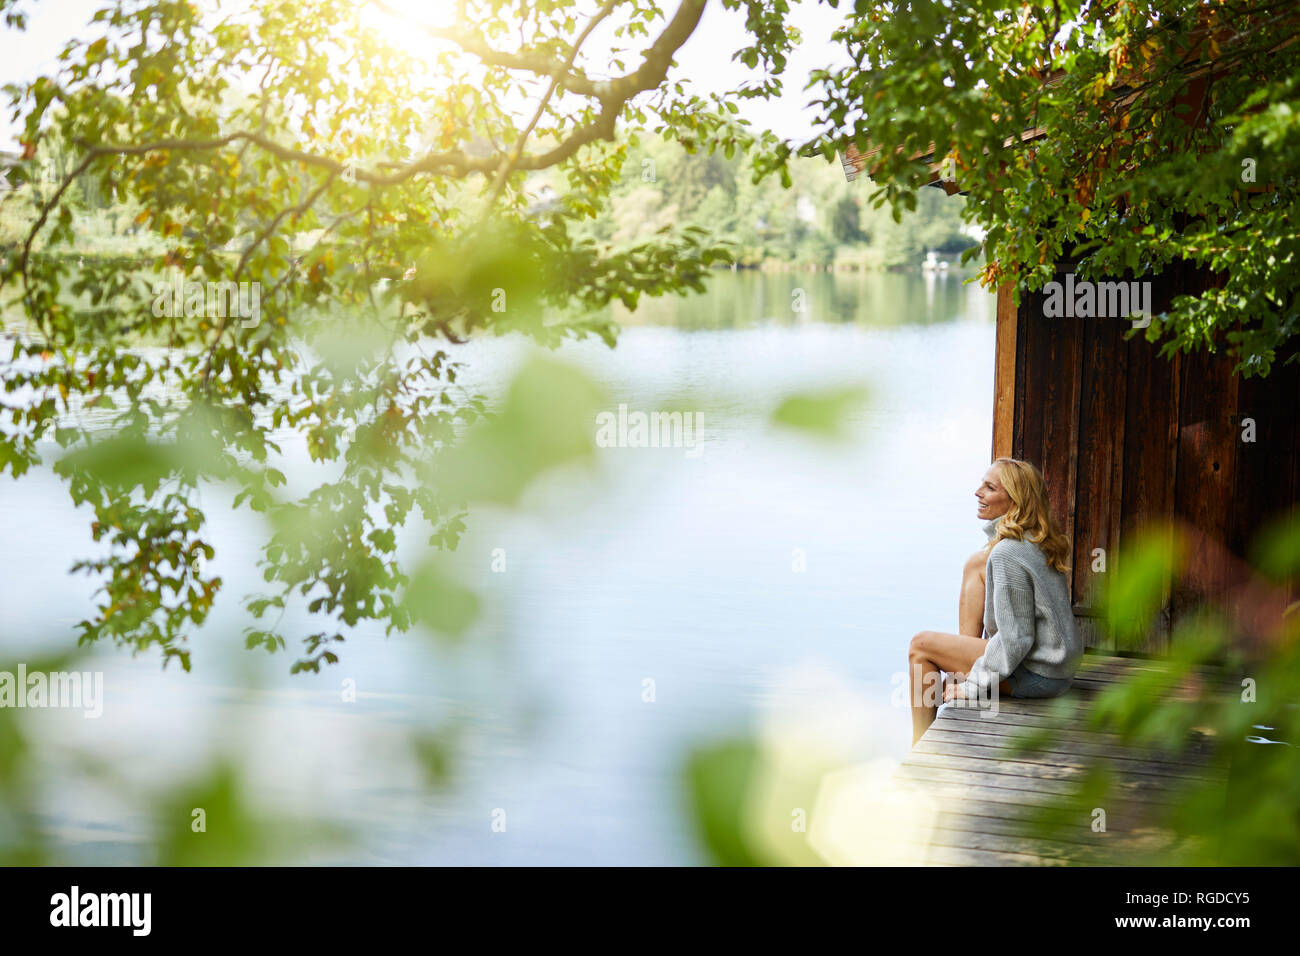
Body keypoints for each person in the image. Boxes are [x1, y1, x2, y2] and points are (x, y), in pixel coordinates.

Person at [906, 457, 1082, 745]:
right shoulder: (1032, 542)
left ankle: (918, 746)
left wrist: (974, 685)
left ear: (1014, 501)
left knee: (920, 647)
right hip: (1057, 670)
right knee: (975, 563)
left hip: (1040, 675)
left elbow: (1017, 638)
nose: (978, 492)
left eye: (989, 488)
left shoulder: (1007, 554)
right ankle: (962, 667)